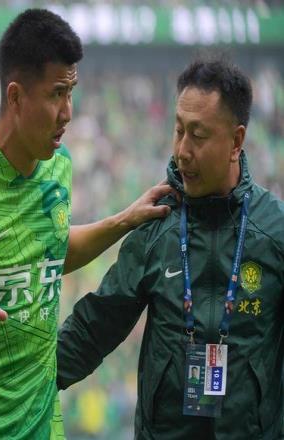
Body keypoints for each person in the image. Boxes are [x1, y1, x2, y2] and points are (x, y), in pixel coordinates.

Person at [0, 8, 173, 439]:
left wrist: (123, 220)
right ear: (16, 96)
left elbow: (49, 253)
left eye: (71, 93)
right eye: (57, 94)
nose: (68, 112)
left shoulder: (59, 165)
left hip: (45, 427)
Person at [57, 56, 284, 439]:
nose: (182, 150)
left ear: (236, 141)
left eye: (198, 135)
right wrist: (25, 387)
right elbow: (95, 327)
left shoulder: (275, 231)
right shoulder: (157, 222)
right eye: (178, 130)